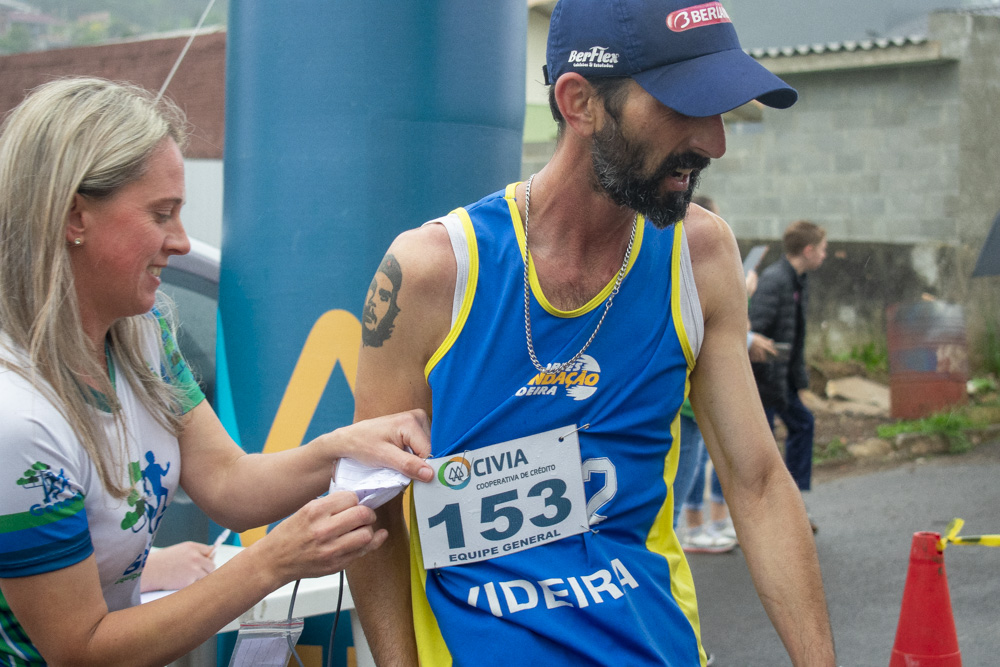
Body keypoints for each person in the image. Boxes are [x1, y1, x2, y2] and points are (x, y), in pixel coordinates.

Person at [346, 0, 836, 664]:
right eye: (685, 105)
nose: (715, 141)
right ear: (579, 103)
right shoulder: (433, 271)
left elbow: (756, 483)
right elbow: (373, 511)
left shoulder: (700, 256)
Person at [0, 77, 435, 666]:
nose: (181, 242)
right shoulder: (18, 420)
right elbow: (82, 651)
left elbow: (229, 482)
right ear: (75, 215)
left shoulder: (142, 332)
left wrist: (342, 449)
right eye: (161, 214)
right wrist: (273, 561)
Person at [749, 219, 828, 530]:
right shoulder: (774, 281)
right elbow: (754, 331)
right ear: (808, 250)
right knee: (760, 452)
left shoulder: (798, 280)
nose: (824, 255)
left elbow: (795, 340)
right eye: (822, 249)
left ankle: (792, 502)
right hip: (765, 383)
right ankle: (768, 516)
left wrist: (800, 384)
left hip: (783, 382)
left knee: (803, 423)